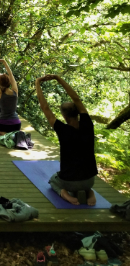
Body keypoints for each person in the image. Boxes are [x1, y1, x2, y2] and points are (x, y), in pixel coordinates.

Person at [35, 74, 98, 206]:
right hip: (89, 180)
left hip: (70, 182)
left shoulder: (62, 129)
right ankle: (89, 192)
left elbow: (44, 107)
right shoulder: (87, 124)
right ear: (78, 112)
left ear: (63, 116)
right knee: (84, 181)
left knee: (53, 180)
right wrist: (58, 78)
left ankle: (65, 195)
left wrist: (37, 82)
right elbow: (76, 98)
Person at [0, 58, 21, 135]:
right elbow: (11, 75)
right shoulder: (15, 92)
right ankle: (13, 133)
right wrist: (4, 62)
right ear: (9, 82)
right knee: (12, 127)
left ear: (0, 84)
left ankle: (5, 133)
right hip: (17, 125)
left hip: (2, 125)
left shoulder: (0, 94)